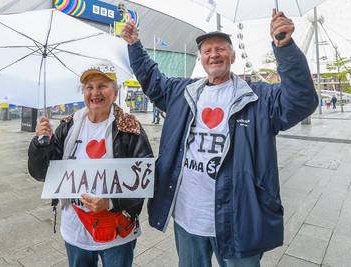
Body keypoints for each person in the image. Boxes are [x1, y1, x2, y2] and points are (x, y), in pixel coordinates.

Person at [121, 9, 318, 267]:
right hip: (187, 217)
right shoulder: (182, 92)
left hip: (238, 220)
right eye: (207, 51)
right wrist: (135, 45)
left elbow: (301, 101)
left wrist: (285, 46)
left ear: (233, 56)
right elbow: (152, 79)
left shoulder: (260, 98)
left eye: (221, 49)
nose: (214, 54)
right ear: (201, 59)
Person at [27, 64, 153, 267]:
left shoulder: (130, 128)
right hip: (75, 229)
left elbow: (144, 181)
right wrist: (41, 144)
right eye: (89, 87)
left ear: (115, 92)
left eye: (102, 86)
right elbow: (41, 173)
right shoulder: (68, 126)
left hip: (117, 232)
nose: (95, 93)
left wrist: (111, 202)